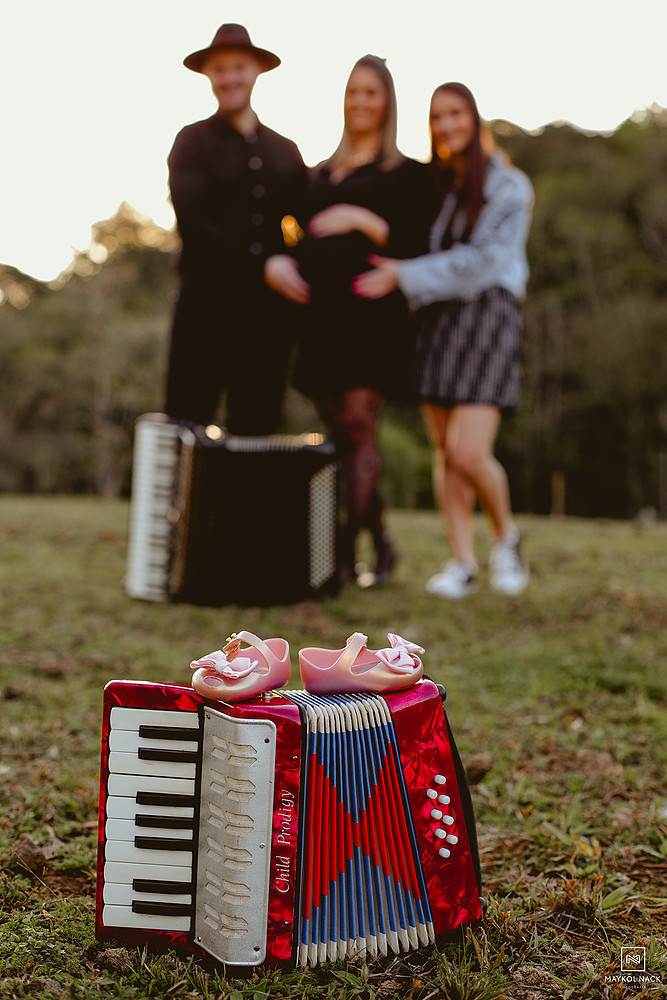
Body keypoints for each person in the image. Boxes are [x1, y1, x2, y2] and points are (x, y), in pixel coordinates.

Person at [354, 82, 532, 598]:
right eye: (436, 117)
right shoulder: (441, 188)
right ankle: (462, 561)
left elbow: (480, 263)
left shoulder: (509, 187)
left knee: (469, 450)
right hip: (437, 321)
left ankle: (508, 538)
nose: (446, 125)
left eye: (455, 113)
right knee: (445, 453)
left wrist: (403, 275)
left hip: (486, 317)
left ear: (475, 118)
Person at [266, 56, 436, 588]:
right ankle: (382, 545)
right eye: (353, 92)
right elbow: (281, 223)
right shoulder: (317, 173)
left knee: (361, 429)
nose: (360, 102)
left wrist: (364, 220)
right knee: (342, 438)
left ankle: (338, 558)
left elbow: (419, 242)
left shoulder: (407, 173)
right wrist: (282, 258)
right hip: (319, 320)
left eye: (371, 93)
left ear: (387, 102)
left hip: (371, 320)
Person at [163, 24, 308, 434]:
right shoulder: (190, 142)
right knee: (186, 425)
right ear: (208, 75)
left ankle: (245, 502)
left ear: (256, 71)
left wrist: (291, 257)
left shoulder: (285, 150)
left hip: (267, 320)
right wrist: (264, 264)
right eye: (220, 69)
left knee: (255, 428)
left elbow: (301, 221)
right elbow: (193, 222)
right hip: (204, 312)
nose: (230, 78)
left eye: (238, 67)